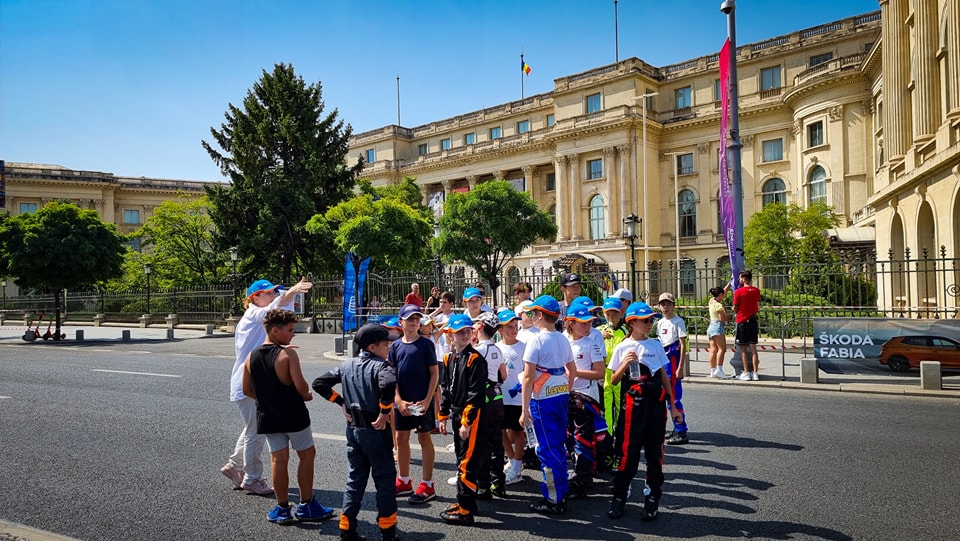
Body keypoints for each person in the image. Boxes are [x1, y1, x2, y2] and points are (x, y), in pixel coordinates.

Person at [241, 309, 335, 524]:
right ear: (275, 331)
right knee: (307, 455)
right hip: (293, 415)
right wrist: (308, 395)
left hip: (268, 416)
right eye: (290, 330)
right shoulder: (287, 355)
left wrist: (268, 398)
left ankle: (282, 508)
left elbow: (246, 389)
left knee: (278, 460)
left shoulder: (251, 356)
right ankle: (307, 505)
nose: (293, 334)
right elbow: (301, 387)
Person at [223, 277, 312, 495]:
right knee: (256, 432)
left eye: (274, 292)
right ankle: (252, 478)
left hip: (255, 381)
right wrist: (291, 291)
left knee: (253, 429)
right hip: (250, 382)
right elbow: (274, 310)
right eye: (269, 293)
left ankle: (234, 466)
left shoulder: (261, 317)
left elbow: (276, 321)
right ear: (255, 298)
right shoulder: (252, 315)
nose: (273, 295)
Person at [312, 324, 401, 541]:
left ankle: (346, 527)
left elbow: (319, 383)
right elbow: (389, 384)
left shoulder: (346, 365)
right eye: (385, 344)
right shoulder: (382, 366)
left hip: (353, 430)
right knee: (385, 480)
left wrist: (340, 402)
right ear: (372, 347)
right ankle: (388, 531)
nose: (389, 347)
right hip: (376, 430)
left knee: (355, 479)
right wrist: (385, 411)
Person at [606, 301, 683, 522]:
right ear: (631, 322)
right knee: (627, 454)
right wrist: (625, 363)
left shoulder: (655, 345)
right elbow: (613, 380)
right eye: (645, 320)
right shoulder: (622, 346)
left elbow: (664, 377)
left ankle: (652, 498)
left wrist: (673, 406)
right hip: (632, 410)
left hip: (656, 409)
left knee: (654, 455)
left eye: (651, 320)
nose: (650, 323)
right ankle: (619, 497)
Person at [519, 295, 577, 516]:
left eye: (533, 313)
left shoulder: (536, 340)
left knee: (546, 449)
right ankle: (561, 490)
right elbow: (572, 369)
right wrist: (565, 388)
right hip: (560, 393)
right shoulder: (563, 338)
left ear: (540, 315)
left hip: (542, 399)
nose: (531, 316)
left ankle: (553, 498)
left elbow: (527, 378)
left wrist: (524, 410)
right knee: (558, 444)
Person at [438, 314, 488, 526]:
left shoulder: (475, 359)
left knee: (467, 461)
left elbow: (475, 395)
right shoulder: (449, 358)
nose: (465, 335)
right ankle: (467, 501)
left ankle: (465, 509)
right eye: (460, 332)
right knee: (461, 457)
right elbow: (445, 389)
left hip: (471, 416)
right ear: (450, 335)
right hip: (457, 413)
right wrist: (443, 415)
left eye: (468, 331)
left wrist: (466, 422)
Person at [390, 304, 440, 504]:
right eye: (410, 318)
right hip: (402, 402)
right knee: (401, 438)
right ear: (401, 322)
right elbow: (391, 376)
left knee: (424, 438)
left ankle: (427, 484)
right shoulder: (395, 346)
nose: (414, 321)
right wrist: (398, 400)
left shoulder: (426, 345)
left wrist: (428, 400)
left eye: (417, 318)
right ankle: (404, 480)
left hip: (421, 402)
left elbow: (434, 373)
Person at [563, 304, 607, 499]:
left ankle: (583, 479)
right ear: (571, 324)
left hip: (585, 396)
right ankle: (578, 472)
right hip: (565, 395)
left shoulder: (591, 344)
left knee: (583, 439)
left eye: (589, 322)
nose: (587, 326)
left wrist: (574, 373)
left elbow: (600, 372)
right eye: (583, 323)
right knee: (568, 437)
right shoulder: (563, 341)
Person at [472, 311, 508, 499]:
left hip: (483, 400)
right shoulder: (497, 349)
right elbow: (504, 375)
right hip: (497, 398)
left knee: (483, 444)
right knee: (497, 442)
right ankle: (499, 483)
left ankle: (483, 486)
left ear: (480, 326)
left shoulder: (478, 350)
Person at [496, 308, 526, 485]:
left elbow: (527, 372)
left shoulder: (523, 347)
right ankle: (513, 460)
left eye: (515, 326)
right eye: (509, 327)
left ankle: (517, 465)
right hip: (501, 396)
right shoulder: (496, 348)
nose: (514, 330)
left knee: (518, 431)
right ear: (500, 329)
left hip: (518, 397)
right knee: (501, 430)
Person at [656, 292, 689, 445]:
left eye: (668, 304)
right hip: (664, 360)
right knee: (666, 396)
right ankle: (676, 427)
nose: (666, 307)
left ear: (673, 306)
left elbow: (682, 345)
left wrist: (680, 367)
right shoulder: (660, 323)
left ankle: (681, 430)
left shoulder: (678, 322)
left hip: (673, 359)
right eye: (663, 304)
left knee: (674, 396)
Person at [598, 297, 627, 465]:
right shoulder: (598, 331)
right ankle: (607, 451)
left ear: (621, 313)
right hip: (603, 378)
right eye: (607, 314)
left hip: (621, 376)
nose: (610, 317)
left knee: (620, 418)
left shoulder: (625, 331)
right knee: (606, 416)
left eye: (614, 314)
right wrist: (598, 337)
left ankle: (619, 454)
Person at [733, 270, 762, 381]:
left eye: (740, 278)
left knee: (743, 349)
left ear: (744, 279)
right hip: (753, 320)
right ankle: (755, 373)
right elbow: (757, 304)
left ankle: (746, 372)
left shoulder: (738, 292)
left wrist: (734, 309)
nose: (739, 280)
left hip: (742, 321)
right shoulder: (756, 291)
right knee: (753, 348)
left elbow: (735, 307)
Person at [707, 285, 732, 379]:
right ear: (720, 294)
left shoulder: (711, 301)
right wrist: (728, 315)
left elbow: (723, 291)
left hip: (711, 326)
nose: (724, 296)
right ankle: (719, 370)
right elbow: (722, 319)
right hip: (717, 326)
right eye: (723, 295)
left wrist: (729, 284)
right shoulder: (719, 305)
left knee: (713, 350)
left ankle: (712, 371)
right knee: (722, 349)